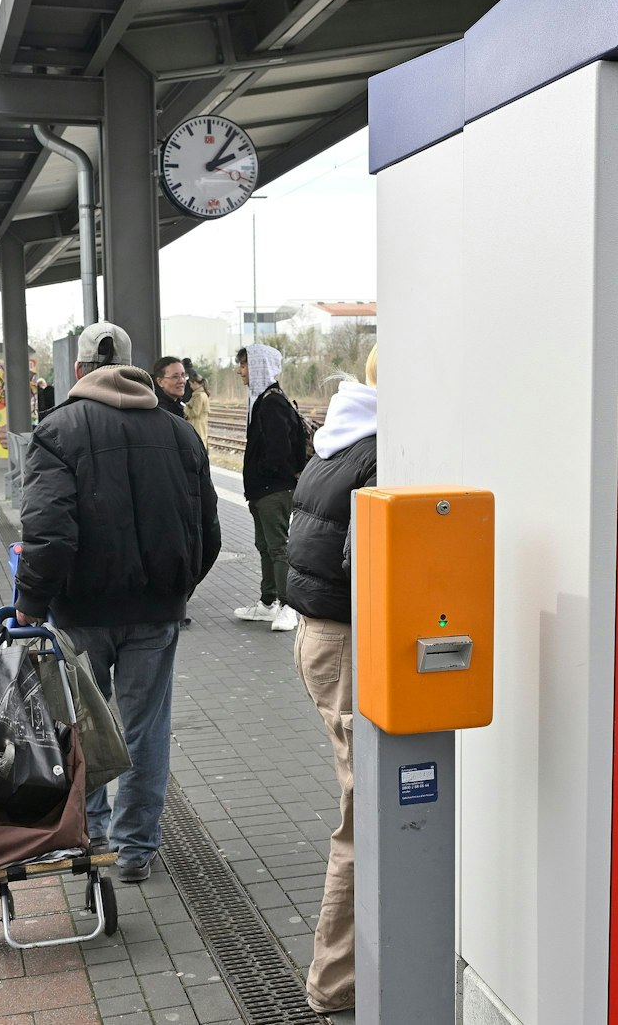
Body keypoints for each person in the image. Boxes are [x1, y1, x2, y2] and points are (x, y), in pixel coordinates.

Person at [14, 321, 221, 884]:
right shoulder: (179, 434)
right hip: (156, 611)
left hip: (80, 612)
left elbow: (48, 533)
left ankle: (96, 834)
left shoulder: (57, 431)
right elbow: (210, 532)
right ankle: (136, 850)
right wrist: (176, 588)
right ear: (135, 369)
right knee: (145, 726)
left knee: (83, 723)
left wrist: (32, 603)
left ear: (79, 371)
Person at [283, 345, 377, 1019]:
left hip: (318, 636)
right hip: (345, 641)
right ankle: (334, 978)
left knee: (364, 800)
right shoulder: (382, 451)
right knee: (365, 810)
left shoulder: (338, 437)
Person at [234, 344, 306, 633]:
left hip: (273, 490)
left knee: (277, 548)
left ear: (259, 365)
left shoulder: (272, 402)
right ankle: (268, 602)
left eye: (244, 364)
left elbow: (280, 452)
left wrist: (265, 477)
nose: (240, 371)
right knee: (265, 546)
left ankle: (289, 607)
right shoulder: (263, 399)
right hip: (263, 490)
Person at [184, 371, 212, 447]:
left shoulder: (199, 396)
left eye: (190, 384)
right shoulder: (202, 394)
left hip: (197, 426)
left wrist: (185, 408)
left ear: (195, 383)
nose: (190, 386)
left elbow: (195, 413)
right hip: (201, 426)